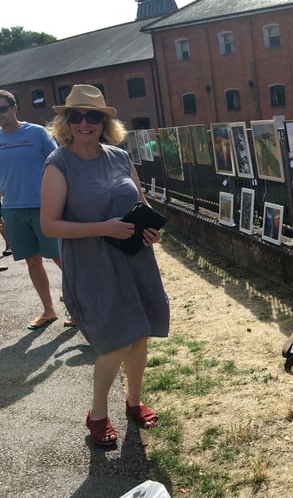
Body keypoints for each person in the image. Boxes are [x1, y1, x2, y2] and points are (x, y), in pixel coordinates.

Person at [40, 85, 170, 446]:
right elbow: (49, 225)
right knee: (115, 343)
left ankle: (133, 402)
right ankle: (97, 415)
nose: (85, 123)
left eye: (93, 116)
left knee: (140, 337)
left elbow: (139, 204)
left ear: (105, 121)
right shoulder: (58, 163)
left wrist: (150, 233)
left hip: (134, 260)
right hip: (93, 266)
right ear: (66, 121)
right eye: (76, 116)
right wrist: (104, 228)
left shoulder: (118, 156)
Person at [0, 90, 61, 325]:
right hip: (13, 209)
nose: (0, 115)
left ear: (14, 108)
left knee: (60, 258)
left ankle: (79, 307)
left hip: (44, 207)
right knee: (31, 261)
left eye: (2, 109)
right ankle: (48, 310)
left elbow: (58, 165)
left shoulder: (37, 133)